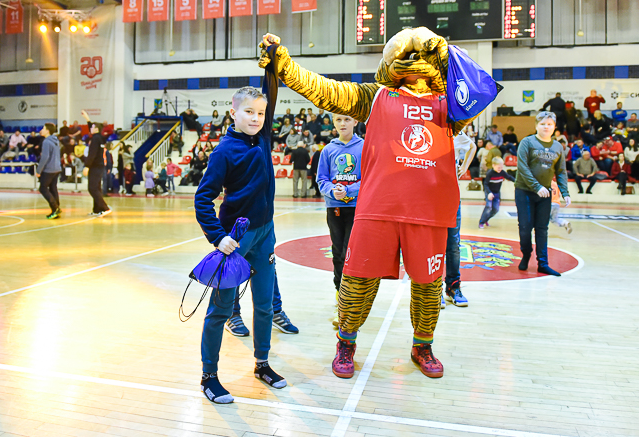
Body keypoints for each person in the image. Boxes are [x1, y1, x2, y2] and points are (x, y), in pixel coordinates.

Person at [259, 27, 476, 380]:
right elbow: (325, 90)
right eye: (408, 54)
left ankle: (422, 345)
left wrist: (445, 53)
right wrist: (284, 65)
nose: (415, 60)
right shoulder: (375, 96)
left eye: (422, 54)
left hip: (428, 210)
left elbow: (479, 87)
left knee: (428, 286)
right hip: (378, 207)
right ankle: (345, 342)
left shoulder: (450, 103)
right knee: (357, 279)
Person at [194, 86, 290, 405]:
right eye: (249, 112)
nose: (256, 118)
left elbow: (270, 89)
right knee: (220, 310)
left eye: (260, 113)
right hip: (236, 240)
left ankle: (262, 364)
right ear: (233, 113)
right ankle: (209, 376)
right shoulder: (223, 152)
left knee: (264, 305)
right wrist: (218, 236)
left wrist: (273, 63)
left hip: (265, 235)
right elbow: (202, 199)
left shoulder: (262, 137)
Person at [317, 114, 364, 325]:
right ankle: (340, 292)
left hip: (357, 209)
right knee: (338, 252)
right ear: (333, 123)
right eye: (338, 120)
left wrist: (349, 190)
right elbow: (321, 179)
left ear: (355, 122)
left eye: (347, 119)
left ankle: (352, 296)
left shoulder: (364, 147)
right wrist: (332, 191)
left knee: (350, 253)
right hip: (334, 208)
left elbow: (369, 177)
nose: (342, 124)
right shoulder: (328, 150)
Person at [515, 111, 571, 277]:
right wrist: (536, 186)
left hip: (545, 194)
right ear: (536, 126)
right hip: (524, 191)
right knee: (525, 227)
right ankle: (526, 254)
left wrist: (565, 192)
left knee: (542, 228)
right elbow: (522, 167)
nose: (546, 127)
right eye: (543, 124)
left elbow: (561, 171)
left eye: (550, 124)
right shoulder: (527, 142)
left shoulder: (557, 147)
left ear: (554, 127)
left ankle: (543, 263)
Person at [445, 132, 477, 308]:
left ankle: (453, 287)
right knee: (432, 245)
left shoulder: (454, 131)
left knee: (453, 244)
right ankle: (433, 288)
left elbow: (472, 146)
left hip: (452, 195)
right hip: (430, 196)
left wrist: (464, 167)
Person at [81, 110, 111, 216]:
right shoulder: (100, 138)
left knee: (92, 188)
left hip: (95, 167)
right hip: (99, 166)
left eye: (92, 127)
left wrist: (87, 166)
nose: (90, 128)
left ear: (96, 129)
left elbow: (92, 154)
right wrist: (87, 119)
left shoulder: (95, 139)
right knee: (97, 188)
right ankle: (97, 210)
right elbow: (93, 128)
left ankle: (105, 208)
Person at [479, 156, 515, 228]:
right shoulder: (490, 173)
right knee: (488, 207)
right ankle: (481, 222)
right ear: (493, 165)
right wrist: (489, 193)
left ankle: (486, 219)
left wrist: (517, 181)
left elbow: (509, 177)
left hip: (497, 193)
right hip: (489, 192)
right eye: (498, 167)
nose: (500, 169)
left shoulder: (502, 172)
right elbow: (485, 184)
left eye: (501, 167)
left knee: (495, 209)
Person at [36, 123, 62, 219]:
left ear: (47, 131)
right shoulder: (56, 140)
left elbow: (45, 157)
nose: (41, 130)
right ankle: (57, 208)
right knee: (53, 188)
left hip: (49, 169)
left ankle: (55, 207)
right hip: (57, 168)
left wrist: (39, 170)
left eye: (43, 128)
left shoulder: (46, 142)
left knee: (43, 188)